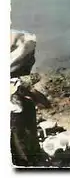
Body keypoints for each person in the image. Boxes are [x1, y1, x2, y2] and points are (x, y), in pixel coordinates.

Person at [11, 30, 50, 167]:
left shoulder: (17, 86)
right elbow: (45, 104)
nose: (33, 61)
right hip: (22, 155)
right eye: (30, 58)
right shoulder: (18, 91)